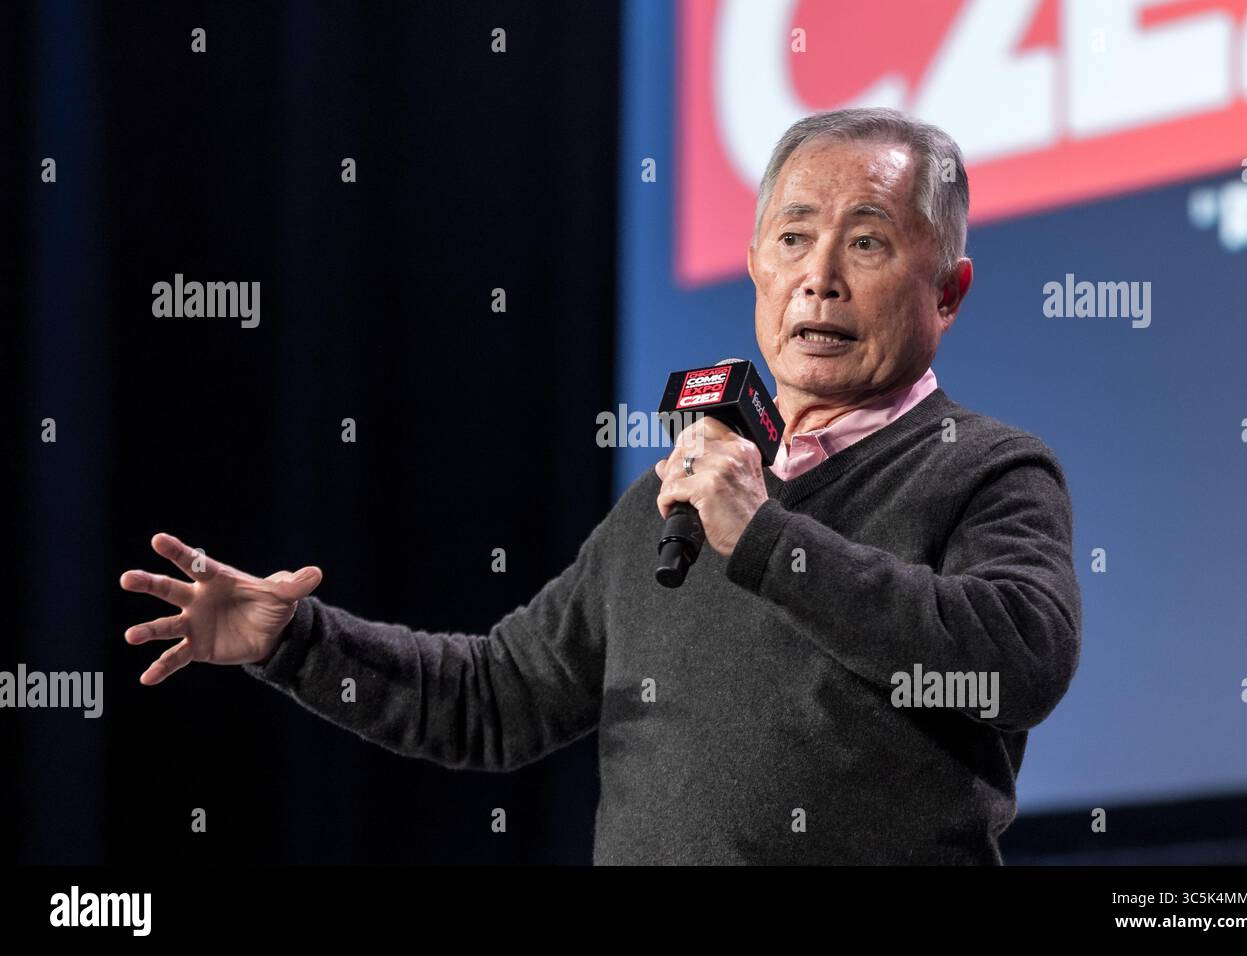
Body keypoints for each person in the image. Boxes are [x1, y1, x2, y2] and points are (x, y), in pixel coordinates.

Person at [119, 107, 1082, 864]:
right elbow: (495, 700)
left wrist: (765, 538)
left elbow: (1019, 663)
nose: (818, 277)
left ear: (948, 291)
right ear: (754, 267)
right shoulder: (677, 497)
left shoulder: (983, 467)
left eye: (867, 243)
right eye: (792, 239)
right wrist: (295, 642)